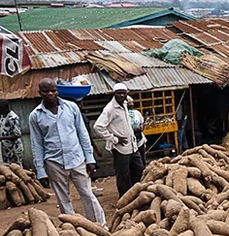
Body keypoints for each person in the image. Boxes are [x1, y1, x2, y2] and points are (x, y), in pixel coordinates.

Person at [29, 78, 105, 226]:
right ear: (40, 93)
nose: (50, 94)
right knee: (63, 199)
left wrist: (90, 159)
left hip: (77, 158)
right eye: (46, 91)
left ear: (58, 91)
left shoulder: (71, 108)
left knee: (88, 195)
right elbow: (36, 144)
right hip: (54, 162)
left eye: (53, 90)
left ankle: (100, 226)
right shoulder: (35, 115)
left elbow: (82, 134)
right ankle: (73, 229)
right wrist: (41, 171)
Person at [94, 83, 144, 197]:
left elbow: (130, 100)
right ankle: (124, 198)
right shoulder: (110, 109)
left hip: (132, 146)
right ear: (114, 94)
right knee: (123, 175)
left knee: (139, 169)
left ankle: (134, 193)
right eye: (119, 93)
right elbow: (98, 126)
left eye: (124, 93)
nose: (121, 95)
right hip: (120, 148)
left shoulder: (125, 104)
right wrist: (114, 139)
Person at [0, 100, 23, 165]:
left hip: (14, 148)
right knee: (8, 167)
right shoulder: (3, 115)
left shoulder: (13, 118)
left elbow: (17, 134)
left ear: (7, 108)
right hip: (6, 147)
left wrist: (2, 138)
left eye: (1, 110)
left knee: (17, 168)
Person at [126, 96, 146, 166]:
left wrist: (141, 127)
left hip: (139, 139)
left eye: (132, 102)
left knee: (142, 157)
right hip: (130, 141)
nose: (131, 104)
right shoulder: (124, 115)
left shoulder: (136, 113)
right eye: (129, 103)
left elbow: (142, 122)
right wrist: (133, 130)